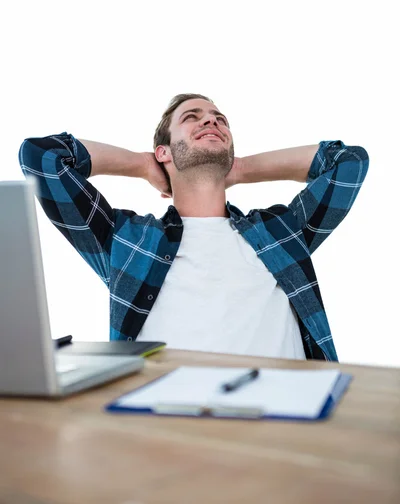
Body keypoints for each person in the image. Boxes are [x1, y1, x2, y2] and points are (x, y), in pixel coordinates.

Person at [18, 93, 369, 361]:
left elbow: (348, 163)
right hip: (167, 431)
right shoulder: (127, 241)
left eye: (220, 120)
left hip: (286, 426)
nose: (212, 122)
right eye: (192, 117)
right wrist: (142, 164)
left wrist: (242, 168)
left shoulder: (280, 231)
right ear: (164, 151)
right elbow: (43, 157)